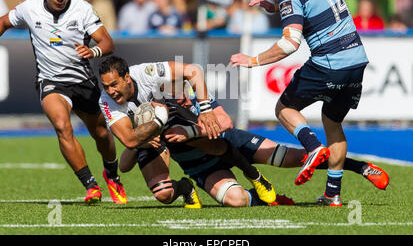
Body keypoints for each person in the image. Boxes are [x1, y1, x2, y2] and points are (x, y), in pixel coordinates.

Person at [229, 0, 369, 207]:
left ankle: (313, 146)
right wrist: (277, 7)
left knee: (284, 107)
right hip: (357, 60)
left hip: (330, 61)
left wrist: (252, 60)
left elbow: (289, 43)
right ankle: (332, 194)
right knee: (332, 122)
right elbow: (315, 11)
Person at [119, 81, 389, 207]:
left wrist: (190, 133)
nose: (186, 100)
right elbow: (125, 165)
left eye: (186, 95)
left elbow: (224, 123)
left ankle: (360, 167)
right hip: (202, 167)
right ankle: (265, 198)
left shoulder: (198, 98)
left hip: (233, 143)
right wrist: (138, 140)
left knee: (297, 157)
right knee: (234, 200)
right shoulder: (155, 114)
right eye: (178, 97)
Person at [0, 0, 126, 205]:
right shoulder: (29, 8)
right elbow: (4, 22)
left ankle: (111, 174)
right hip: (51, 81)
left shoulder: (83, 10)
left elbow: (108, 43)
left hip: (82, 80)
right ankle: (90, 185)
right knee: (61, 125)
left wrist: (94, 50)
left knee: (101, 133)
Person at [98, 56, 277, 206]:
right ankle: (185, 187)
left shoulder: (147, 73)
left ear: (127, 77)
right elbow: (129, 141)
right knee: (160, 192)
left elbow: (193, 70)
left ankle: (254, 175)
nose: (110, 91)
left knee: (210, 138)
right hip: (146, 133)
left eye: (114, 84)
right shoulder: (106, 101)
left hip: (170, 112)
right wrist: (154, 127)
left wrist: (206, 110)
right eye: (106, 86)